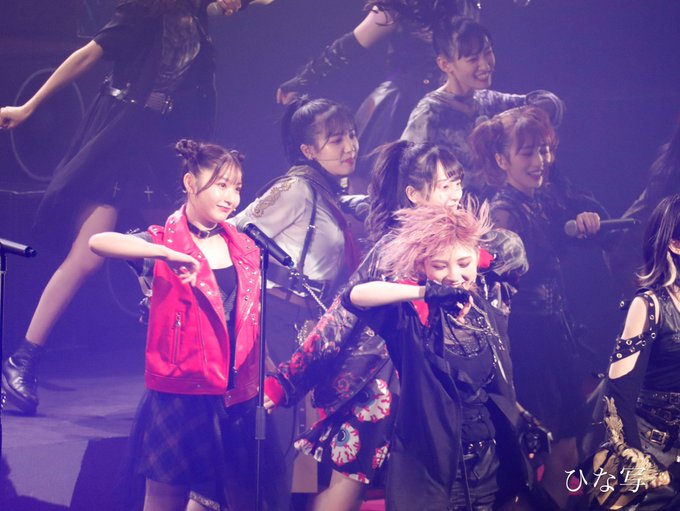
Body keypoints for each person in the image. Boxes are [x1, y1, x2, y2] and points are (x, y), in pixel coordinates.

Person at [0, 0, 244, 415]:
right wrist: (28, 107)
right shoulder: (143, 9)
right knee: (87, 256)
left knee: (192, 247)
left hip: (163, 143)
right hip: (120, 136)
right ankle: (21, 361)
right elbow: (86, 56)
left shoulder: (198, 12)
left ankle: (212, 366)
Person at [263, 140, 466, 511]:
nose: (455, 194)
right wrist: (287, 381)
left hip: (429, 379)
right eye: (444, 185)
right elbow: (341, 316)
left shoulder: (457, 244)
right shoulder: (395, 247)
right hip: (379, 382)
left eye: (457, 183)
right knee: (349, 487)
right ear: (414, 194)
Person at [88, 139, 285, 511]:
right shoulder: (163, 242)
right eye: (221, 185)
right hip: (181, 391)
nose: (231, 197)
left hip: (236, 392)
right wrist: (164, 253)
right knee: (165, 497)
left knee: (240, 495)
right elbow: (98, 242)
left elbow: (247, 319)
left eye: (237, 187)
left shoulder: (245, 247)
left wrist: (268, 369)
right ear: (191, 182)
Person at [341, 204, 537, 511]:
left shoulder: (488, 314)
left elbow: (489, 387)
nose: (454, 276)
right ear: (424, 267)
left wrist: (520, 417)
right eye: (440, 266)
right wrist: (423, 293)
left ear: (477, 258)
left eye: (463, 263)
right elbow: (354, 297)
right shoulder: (410, 321)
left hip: (488, 466)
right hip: (434, 472)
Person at [469, 105, 603, 508]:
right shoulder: (504, 212)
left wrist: (586, 220)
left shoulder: (544, 198)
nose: (540, 161)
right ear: (502, 159)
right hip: (528, 345)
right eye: (527, 152)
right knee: (541, 456)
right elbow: (492, 286)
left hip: (556, 337)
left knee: (566, 452)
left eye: (544, 150)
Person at [231, 96, 360, 509]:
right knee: (279, 433)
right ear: (308, 150)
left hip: (307, 319)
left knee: (298, 439)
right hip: (277, 316)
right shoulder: (296, 189)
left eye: (351, 135)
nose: (350, 146)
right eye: (336, 139)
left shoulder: (328, 192)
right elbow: (236, 231)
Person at [276, 0, 482, 193]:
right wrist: (303, 80)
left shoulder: (465, 4)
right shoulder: (400, 6)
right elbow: (350, 45)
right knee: (378, 179)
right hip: (404, 104)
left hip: (451, 103)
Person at [401, 16, 564, 199]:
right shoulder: (429, 113)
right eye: (473, 59)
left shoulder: (489, 100)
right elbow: (405, 169)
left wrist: (511, 119)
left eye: (488, 53)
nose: (485, 65)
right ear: (445, 64)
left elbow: (551, 104)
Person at [589, 194, 680, 510]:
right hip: (647, 450)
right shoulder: (649, 306)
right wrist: (637, 461)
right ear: (675, 245)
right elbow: (617, 394)